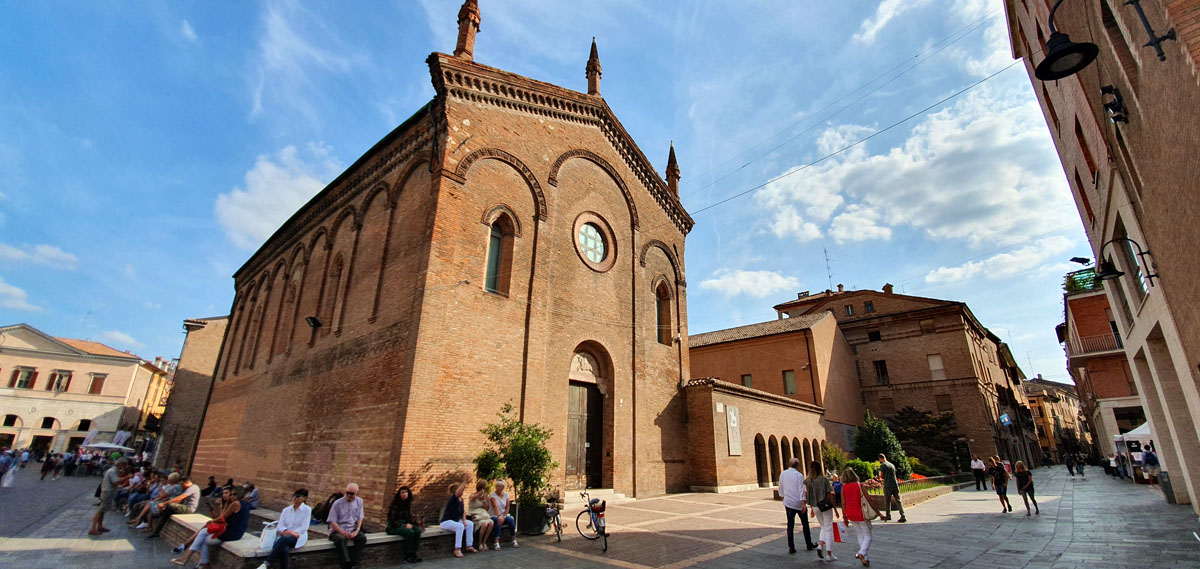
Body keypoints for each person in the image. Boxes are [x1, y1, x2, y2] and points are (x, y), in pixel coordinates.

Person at [173, 486, 250, 567]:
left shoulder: (236, 503)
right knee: (203, 536)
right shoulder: (242, 503)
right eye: (231, 494)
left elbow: (222, 518)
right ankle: (202, 563)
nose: (231, 496)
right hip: (234, 532)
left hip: (230, 533)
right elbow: (222, 517)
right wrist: (220, 507)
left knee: (202, 534)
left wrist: (212, 521)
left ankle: (187, 557)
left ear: (240, 494)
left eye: (234, 494)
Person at [258, 489, 312, 569]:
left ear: (304, 498)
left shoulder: (307, 510)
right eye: (294, 496)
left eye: (298, 496)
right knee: (284, 549)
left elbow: (304, 527)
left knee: (285, 539)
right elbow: (280, 526)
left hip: (298, 536)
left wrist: (290, 533)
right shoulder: (286, 510)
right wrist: (288, 532)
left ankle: (267, 563)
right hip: (285, 535)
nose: (295, 498)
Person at [840, 468, 878, 567]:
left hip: (850, 513)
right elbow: (868, 499)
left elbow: (843, 503)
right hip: (861, 513)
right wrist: (878, 512)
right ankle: (861, 553)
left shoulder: (844, 488)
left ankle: (865, 559)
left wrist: (844, 517)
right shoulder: (859, 485)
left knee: (860, 535)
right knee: (868, 535)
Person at [779, 457, 816, 554]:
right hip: (799, 503)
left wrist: (784, 498)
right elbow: (801, 490)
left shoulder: (783, 474)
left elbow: (781, 487)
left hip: (789, 503)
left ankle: (791, 547)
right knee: (805, 524)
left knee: (790, 525)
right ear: (798, 465)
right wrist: (803, 503)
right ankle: (808, 544)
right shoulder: (799, 475)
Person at [328, 482, 367, 569]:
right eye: (347, 493)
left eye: (351, 494)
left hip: (352, 528)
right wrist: (342, 532)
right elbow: (332, 521)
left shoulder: (359, 501)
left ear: (356, 493)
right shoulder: (337, 503)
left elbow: (360, 518)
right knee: (341, 539)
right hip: (338, 529)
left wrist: (357, 530)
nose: (349, 495)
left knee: (362, 538)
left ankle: (354, 562)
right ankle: (346, 563)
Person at [805, 462, 836, 561]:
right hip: (824, 505)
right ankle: (829, 554)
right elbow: (830, 494)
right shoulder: (823, 480)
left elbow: (808, 494)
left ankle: (820, 545)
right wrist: (835, 508)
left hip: (815, 506)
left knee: (823, 526)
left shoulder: (808, 481)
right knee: (828, 528)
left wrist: (811, 509)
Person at [89, 458, 128, 535]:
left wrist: (122, 473)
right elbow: (115, 482)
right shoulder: (112, 471)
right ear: (120, 464)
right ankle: (92, 528)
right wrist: (126, 477)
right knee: (100, 510)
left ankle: (99, 526)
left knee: (103, 510)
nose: (125, 467)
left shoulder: (114, 471)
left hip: (108, 491)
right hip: (107, 492)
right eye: (124, 465)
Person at [385, 486, 423, 564]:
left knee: (417, 530)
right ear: (399, 494)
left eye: (406, 492)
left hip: (403, 524)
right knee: (410, 532)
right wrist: (404, 525)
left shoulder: (407, 504)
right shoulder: (395, 505)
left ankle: (413, 554)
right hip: (393, 527)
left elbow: (409, 517)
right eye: (402, 492)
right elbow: (392, 521)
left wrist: (417, 524)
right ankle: (407, 556)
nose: (405, 494)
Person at [439, 481, 476, 558]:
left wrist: (464, 521)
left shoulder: (461, 500)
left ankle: (469, 545)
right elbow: (458, 492)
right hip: (446, 521)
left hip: (456, 520)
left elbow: (463, 512)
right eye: (462, 490)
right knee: (460, 526)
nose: (463, 491)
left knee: (470, 524)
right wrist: (464, 481)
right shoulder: (453, 498)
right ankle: (457, 549)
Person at [488, 480, 518, 549]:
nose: (497, 488)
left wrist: (504, 516)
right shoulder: (492, 495)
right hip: (494, 515)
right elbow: (494, 506)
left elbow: (507, 507)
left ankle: (513, 539)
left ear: (503, 487)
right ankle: (496, 541)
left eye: (499, 486)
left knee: (511, 519)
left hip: (503, 514)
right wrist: (499, 516)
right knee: (498, 521)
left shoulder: (506, 495)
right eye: (496, 486)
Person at [877, 454, 905, 523]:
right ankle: (903, 515)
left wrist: (878, 477)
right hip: (895, 484)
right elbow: (894, 475)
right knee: (898, 500)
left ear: (880, 459)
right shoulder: (891, 465)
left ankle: (888, 515)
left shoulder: (883, 465)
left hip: (887, 485)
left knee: (887, 501)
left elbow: (881, 476)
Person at [467, 480, 494, 552]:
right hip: (476, 515)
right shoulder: (473, 495)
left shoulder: (485, 496)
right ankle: (479, 543)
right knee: (484, 524)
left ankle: (484, 542)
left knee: (491, 523)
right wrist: (479, 494)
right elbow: (472, 498)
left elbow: (487, 508)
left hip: (483, 515)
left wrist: (485, 501)